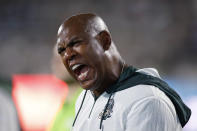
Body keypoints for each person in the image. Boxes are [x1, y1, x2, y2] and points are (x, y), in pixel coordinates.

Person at [55, 13, 191, 131]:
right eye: (61, 50)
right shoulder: (84, 98)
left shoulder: (147, 101)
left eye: (76, 43)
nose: (68, 55)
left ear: (104, 41)